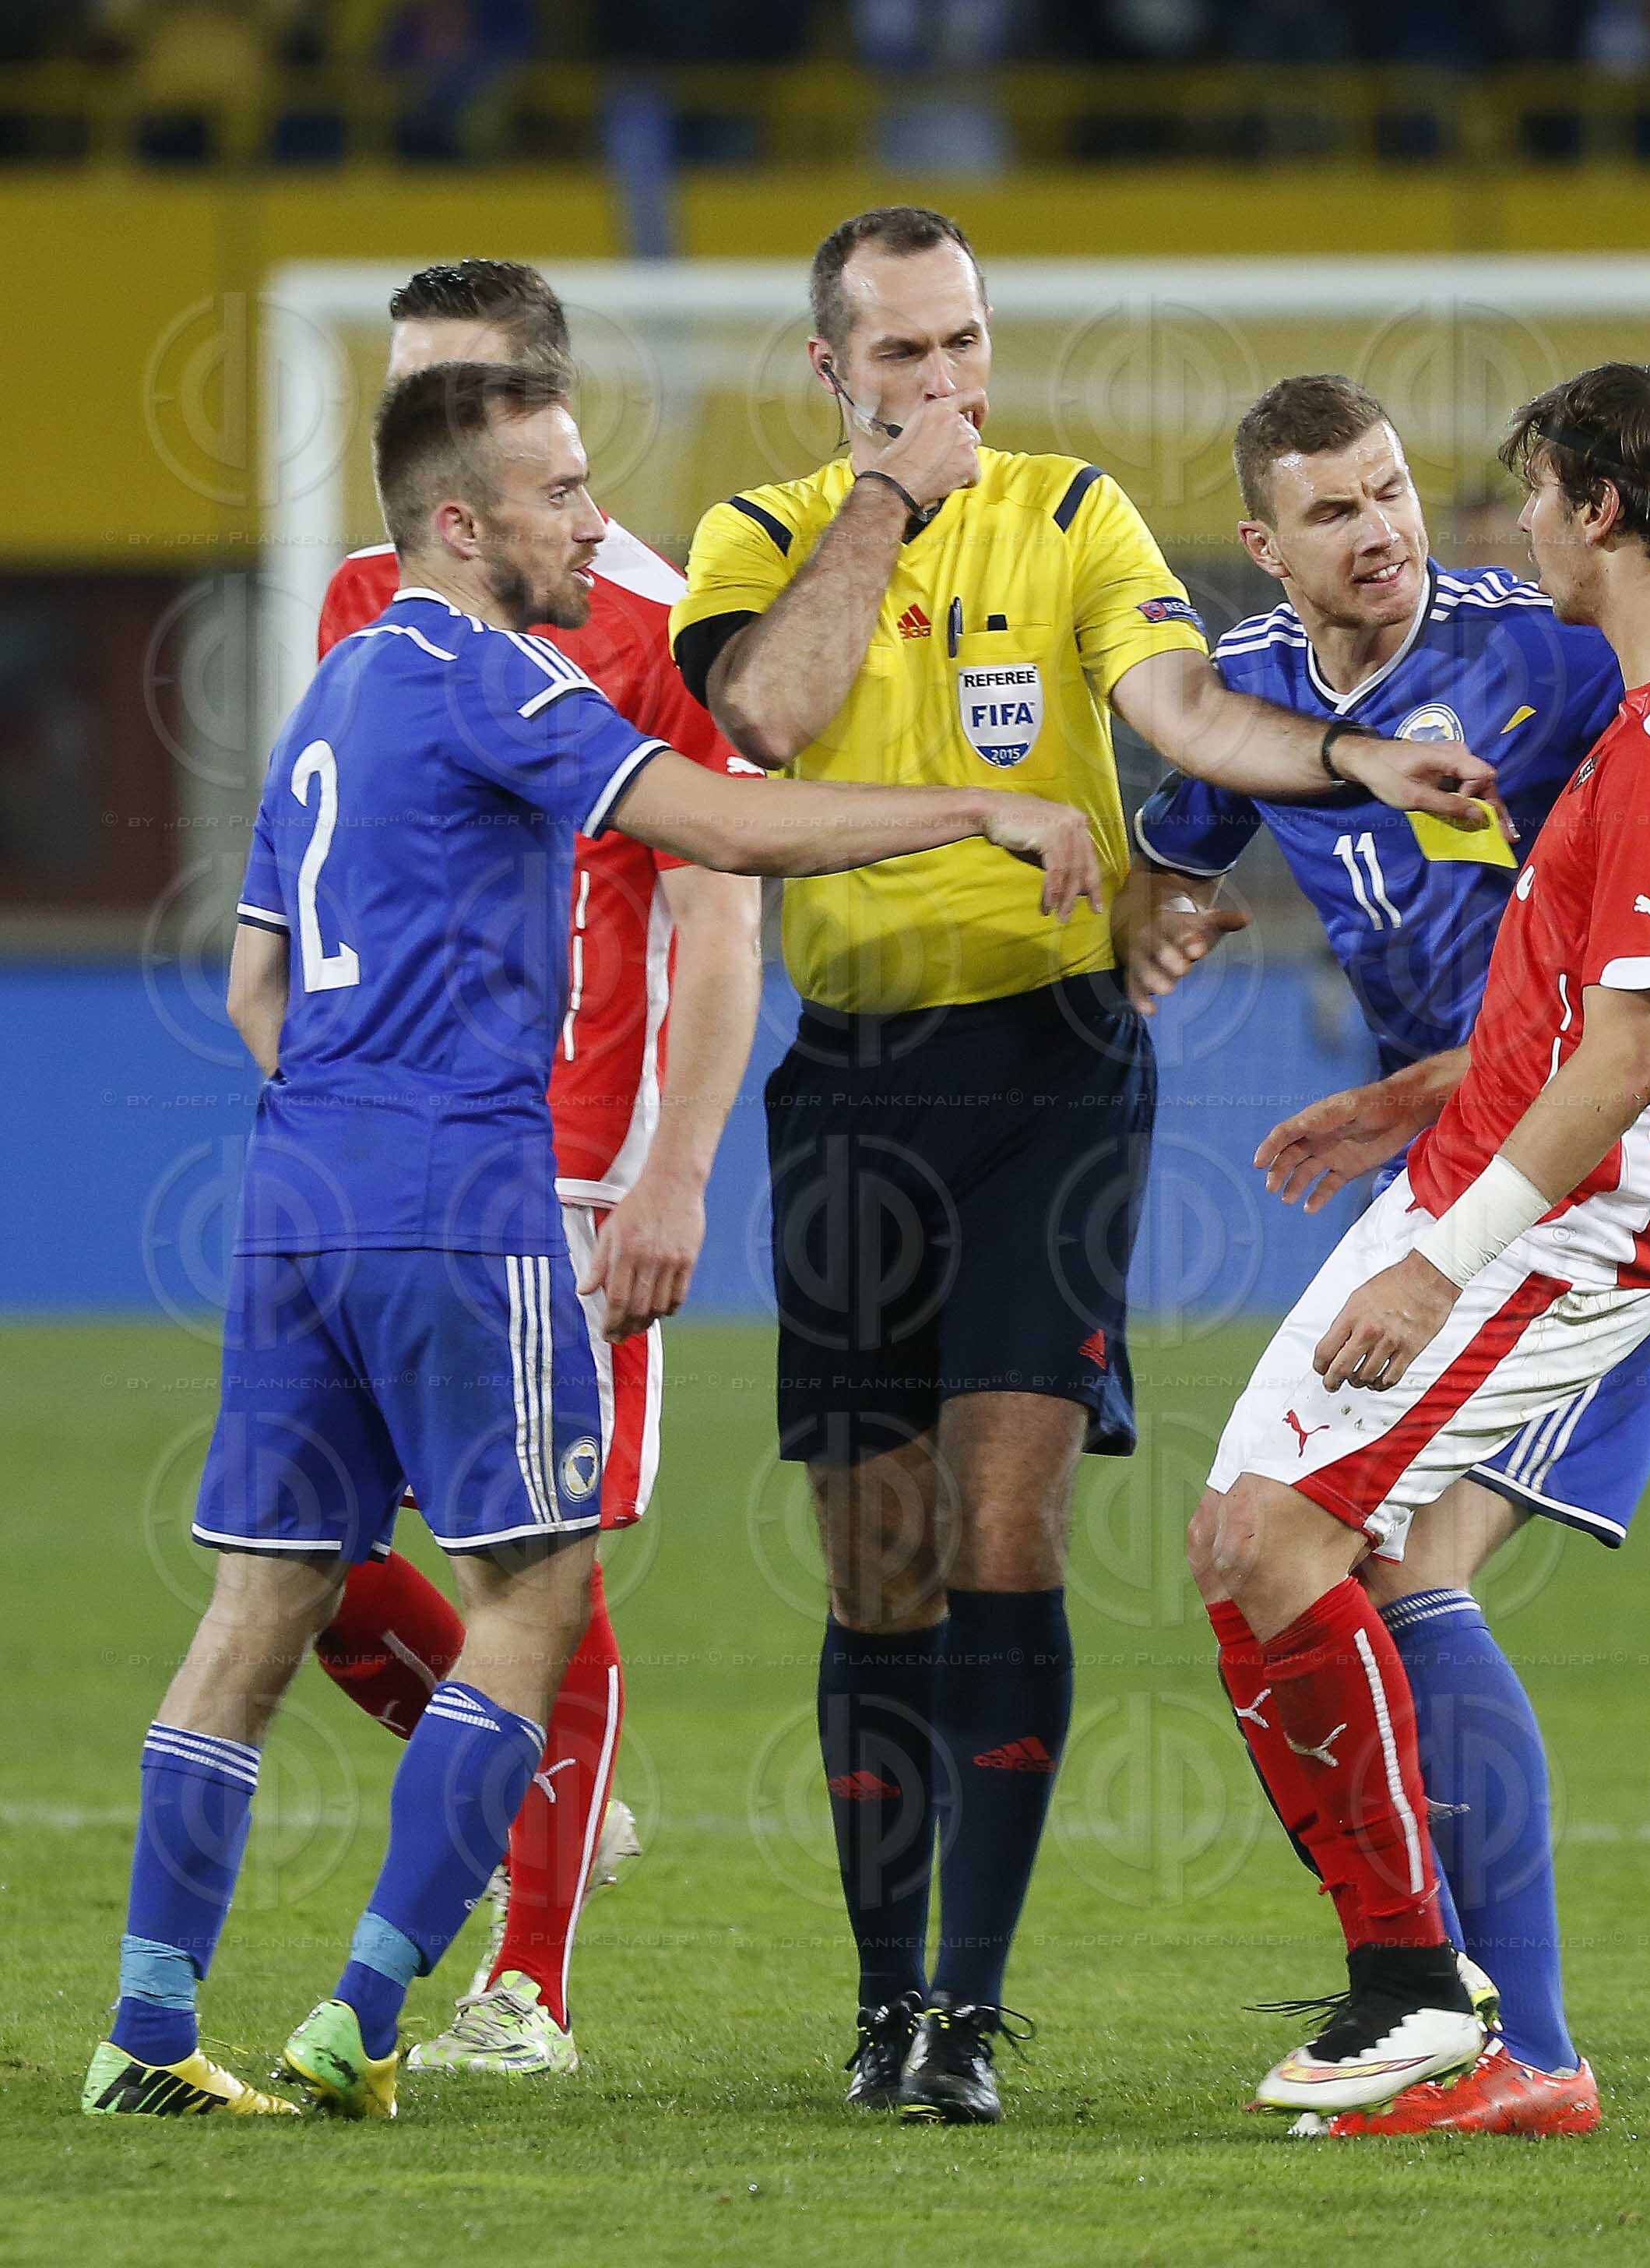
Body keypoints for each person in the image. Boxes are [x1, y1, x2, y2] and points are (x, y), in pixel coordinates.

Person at [82, 357, 1107, 2121]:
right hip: (457, 1193)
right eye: (558, 492)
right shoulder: (493, 677)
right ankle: (367, 2007)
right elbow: (717, 822)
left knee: (261, 1604)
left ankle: (149, 2035)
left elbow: (254, 975)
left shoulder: (327, 688)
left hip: (292, 1191)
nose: (589, 519)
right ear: (461, 524)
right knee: (537, 1594)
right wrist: (977, 805)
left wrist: (345, 1116)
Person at [670, 204, 1502, 2124]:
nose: (949, 384)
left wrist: (1355, 762)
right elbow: (768, 717)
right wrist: (881, 504)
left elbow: (1185, 714)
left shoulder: (1075, 516)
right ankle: (879, 2002)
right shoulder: (762, 535)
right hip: (851, 1082)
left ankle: (964, 2010)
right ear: (829, 370)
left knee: (1004, 1526)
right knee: (875, 1562)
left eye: (964, 342)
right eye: (902, 355)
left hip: (1052, 1067)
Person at [1127, 374, 1650, 2132]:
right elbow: (1191, 829)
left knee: (1369, 1565)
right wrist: (1388, 1100)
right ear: (1267, 544)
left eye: (1439, 492)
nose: (1419, 529)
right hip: (1472, 1148)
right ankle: (1455, 2013)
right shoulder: (1296, 693)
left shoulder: (1617, 702)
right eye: (1344, 507)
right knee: (1278, 1540)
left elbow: (1623, 1048)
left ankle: (1492, 2029)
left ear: (1594, 514)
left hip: (1551, 1210)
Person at [308, 259, 763, 2078]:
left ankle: (529, 1988)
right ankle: (536, 1785)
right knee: (315, 1558)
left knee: (538, 1574)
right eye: (405, 399)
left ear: (544, 418)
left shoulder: (655, 617)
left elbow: (722, 925)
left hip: (575, 1184)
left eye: (464, 393)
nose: (428, 434)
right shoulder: (368, 596)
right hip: (392, 1165)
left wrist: (676, 1176)